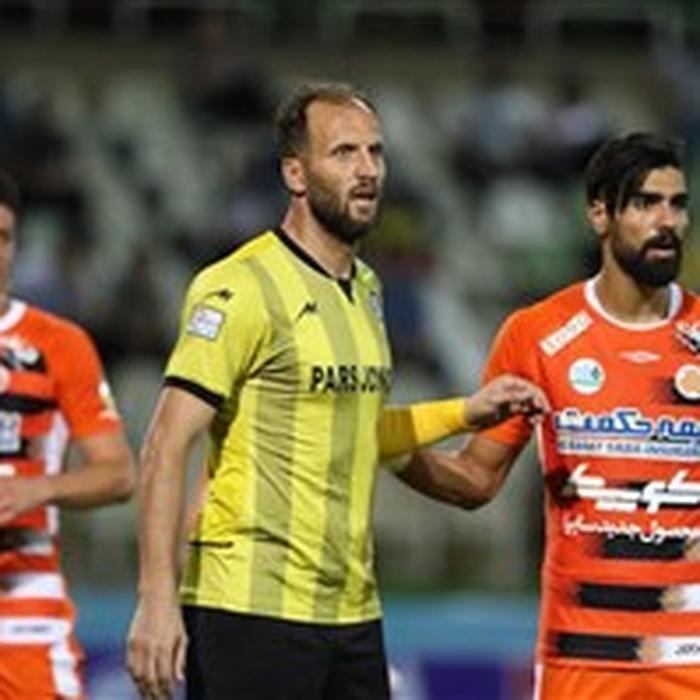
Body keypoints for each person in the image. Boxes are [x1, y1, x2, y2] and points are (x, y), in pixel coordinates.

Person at [126, 81, 548, 700]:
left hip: (351, 611)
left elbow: (357, 425)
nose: (367, 170)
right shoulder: (239, 287)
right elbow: (166, 443)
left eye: (375, 152)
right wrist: (157, 599)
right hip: (250, 608)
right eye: (344, 152)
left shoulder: (369, 290)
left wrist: (464, 412)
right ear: (295, 174)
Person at [399, 132, 700, 699]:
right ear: (599, 214)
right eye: (645, 203)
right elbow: (475, 479)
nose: (667, 221)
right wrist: (391, 448)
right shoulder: (537, 335)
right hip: (581, 657)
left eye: (677, 204)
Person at [0, 171, 135, 697]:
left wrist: (37, 489)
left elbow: (118, 473)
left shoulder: (59, 344)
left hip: (23, 613)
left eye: (4, 238)